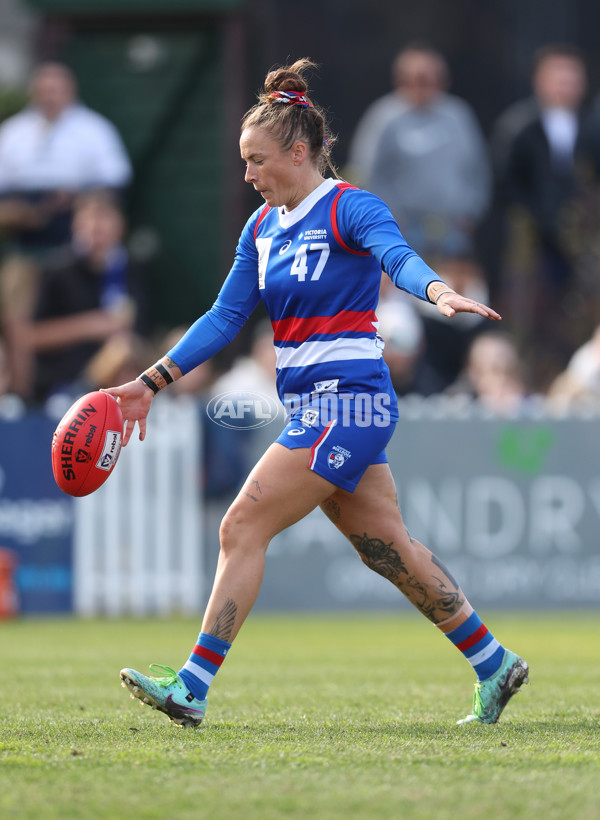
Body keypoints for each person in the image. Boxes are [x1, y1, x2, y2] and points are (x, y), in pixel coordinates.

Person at [108, 59, 528, 730]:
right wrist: (149, 382)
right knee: (387, 548)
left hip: (350, 402)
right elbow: (223, 317)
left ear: (299, 151)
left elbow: (397, 256)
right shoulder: (261, 228)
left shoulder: (349, 206)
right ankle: (493, 662)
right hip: (314, 407)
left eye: (257, 160)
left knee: (241, 526)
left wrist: (438, 291)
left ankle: (191, 686)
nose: (248, 174)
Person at [493, 44, 592, 390]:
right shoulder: (519, 127)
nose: (565, 86)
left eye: (572, 78)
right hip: (533, 249)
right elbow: (508, 188)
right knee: (530, 325)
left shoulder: (592, 128)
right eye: (558, 77)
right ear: (540, 81)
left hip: (583, 251)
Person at [347, 44, 491, 260]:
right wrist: (387, 219)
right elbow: (364, 173)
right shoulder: (383, 117)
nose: (423, 88)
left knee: (450, 292)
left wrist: (471, 212)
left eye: (431, 80)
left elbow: (478, 169)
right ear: (400, 81)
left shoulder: (458, 116)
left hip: (454, 229)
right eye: (416, 80)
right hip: (402, 230)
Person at [27, 189, 149, 402]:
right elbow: (32, 336)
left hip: (123, 382)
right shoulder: (56, 271)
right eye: (90, 217)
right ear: (76, 225)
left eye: (104, 217)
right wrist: (89, 326)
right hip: (65, 387)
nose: (96, 226)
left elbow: (141, 328)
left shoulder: (129, 269)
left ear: (120, 225)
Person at [0, 61, 131, 258]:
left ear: (70, 90)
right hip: (22, 237)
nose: (49, 97)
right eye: (43, 90)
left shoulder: (95, 129)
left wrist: (77, 199)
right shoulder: (13, 131)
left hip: (74, 232)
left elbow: (116, 179)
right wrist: (17, 210)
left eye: (55, 90)